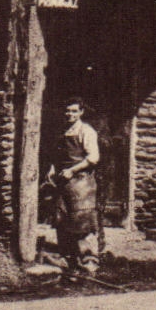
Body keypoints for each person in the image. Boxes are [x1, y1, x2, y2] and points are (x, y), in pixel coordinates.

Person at [48, 97, 102, 273]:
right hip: (63, 181)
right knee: (62, 218)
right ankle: (67, 257)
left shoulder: (86, 131)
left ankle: (89, 260)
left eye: (73, 111)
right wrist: (52, 168)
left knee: (82, 220)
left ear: (81, 112)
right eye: (67, 111)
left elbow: (93, 158)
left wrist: (72, 170)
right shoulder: (63, 131)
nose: (69, 114)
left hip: (81, 182)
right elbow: (58, 155)